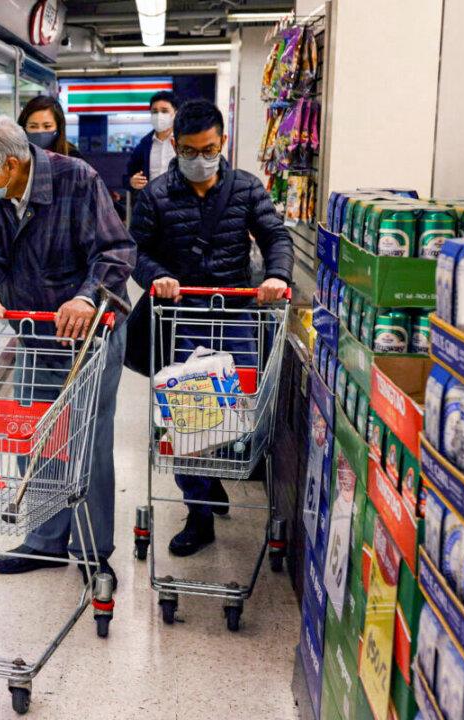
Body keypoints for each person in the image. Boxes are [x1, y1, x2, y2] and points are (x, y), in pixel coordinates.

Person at [0, 115, 135, 586]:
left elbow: (115, 251)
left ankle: (93, 549)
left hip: (89, 336)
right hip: (34, 333)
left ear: (10, 165)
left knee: (86, 440)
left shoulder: (77, 179)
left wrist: (86, 297)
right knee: (35, 433)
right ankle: (44, 540)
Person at [129, 98, 293, 557]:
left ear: (223, 143)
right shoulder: (156, 195)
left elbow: (275, 235)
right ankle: (198, 511)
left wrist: (277, 275)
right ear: (175, 146)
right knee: (189, 418)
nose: (199, 159)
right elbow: (135, 251)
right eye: (188, 150)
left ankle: (214, 472)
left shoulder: (246, 188)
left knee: (236, 409)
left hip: (236, 314)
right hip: (182, 317)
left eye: (208, 150)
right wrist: (157, 276)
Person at [125, 91, 178, 192]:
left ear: (175, 114)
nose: (159, 115)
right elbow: (127, 177)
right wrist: (132, 182)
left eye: (164, 111)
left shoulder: (184, 142)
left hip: (179, 199)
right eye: (155, 111)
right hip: (151, 199)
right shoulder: (144, 145)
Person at [18, 95, 84, 161]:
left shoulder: (73, 157)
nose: (40, 131)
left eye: (47, 126)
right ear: (24, 128)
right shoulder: (17, 156)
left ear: (58, 127)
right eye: (33, 126)